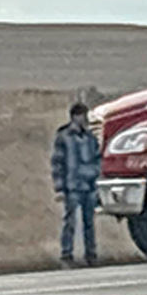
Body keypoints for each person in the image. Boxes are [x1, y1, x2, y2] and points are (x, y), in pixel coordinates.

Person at [50, 102, 102, 267]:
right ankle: (66, 254)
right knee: (70, 222)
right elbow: (57, 163)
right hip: (72, 186)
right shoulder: (64, 137)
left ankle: (91, 254)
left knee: (89, 223)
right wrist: (59, 187)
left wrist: (97, 180)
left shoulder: (90, 137)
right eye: (81, 116)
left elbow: (97, 159)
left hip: (89, 186)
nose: (84, 119)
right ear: (74, 116)